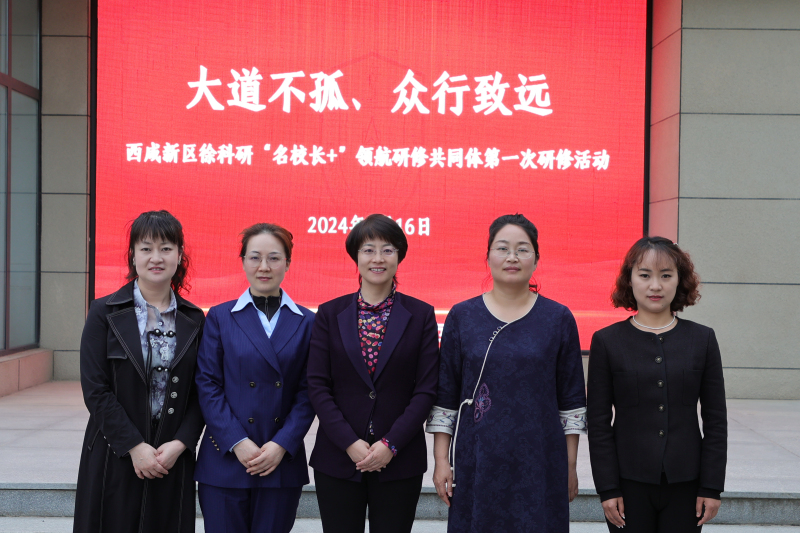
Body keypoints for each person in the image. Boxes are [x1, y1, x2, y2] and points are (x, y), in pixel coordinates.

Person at [426, 213, 587, 533]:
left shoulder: (558, 318)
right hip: (478, 457)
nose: (512, 257)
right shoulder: (462, 316)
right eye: (502, 248)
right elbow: (446, 394)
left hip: (540, 458)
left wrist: (569, 465)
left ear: (536, 259)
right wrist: (441, 460)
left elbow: (571, 400)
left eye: (522, 249)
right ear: (487, 256)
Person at [74, 210, 205, 533]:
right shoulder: (104, 312)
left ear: (179, 255)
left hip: (170, 456)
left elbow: (202, 390)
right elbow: (96, 389)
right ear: (133, 255)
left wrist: (181, 443)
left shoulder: (195, 319)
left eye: (166, 248)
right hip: (114, 452)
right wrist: (134, 446)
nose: (156, 258)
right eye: (146, 248)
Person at [307, 214, 440, 533]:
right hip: (338, 458)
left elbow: (426, 389)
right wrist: (349, 442)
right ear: (356, 256)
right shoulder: (329, 313)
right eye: (368, 250)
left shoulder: (421, 314)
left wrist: (390, 444)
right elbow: (317, 385)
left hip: (400, 460)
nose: (378, 258)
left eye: (387, 250)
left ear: (399, 256)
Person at [587, 237, 727, 532]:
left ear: (679, 280)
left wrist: (712, 486)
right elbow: (598, 423)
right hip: (628, 483)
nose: (655, 286)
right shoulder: (607, 341)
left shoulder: (702, 339)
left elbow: (715, 420)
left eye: (666, 275)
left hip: (687, 483)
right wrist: (608, 488)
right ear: (630, 279)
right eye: (645, 275)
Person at [194, 223, 316, 533]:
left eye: (274, 258)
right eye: (255, 257)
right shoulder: (220, 316)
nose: (264, 267)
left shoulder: (308, 322)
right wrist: (237, 442)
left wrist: (282, 444)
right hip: (226, 457)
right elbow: (208, 384)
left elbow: (309, 392)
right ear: (243, 261)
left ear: (288, 263)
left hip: (280, 460)